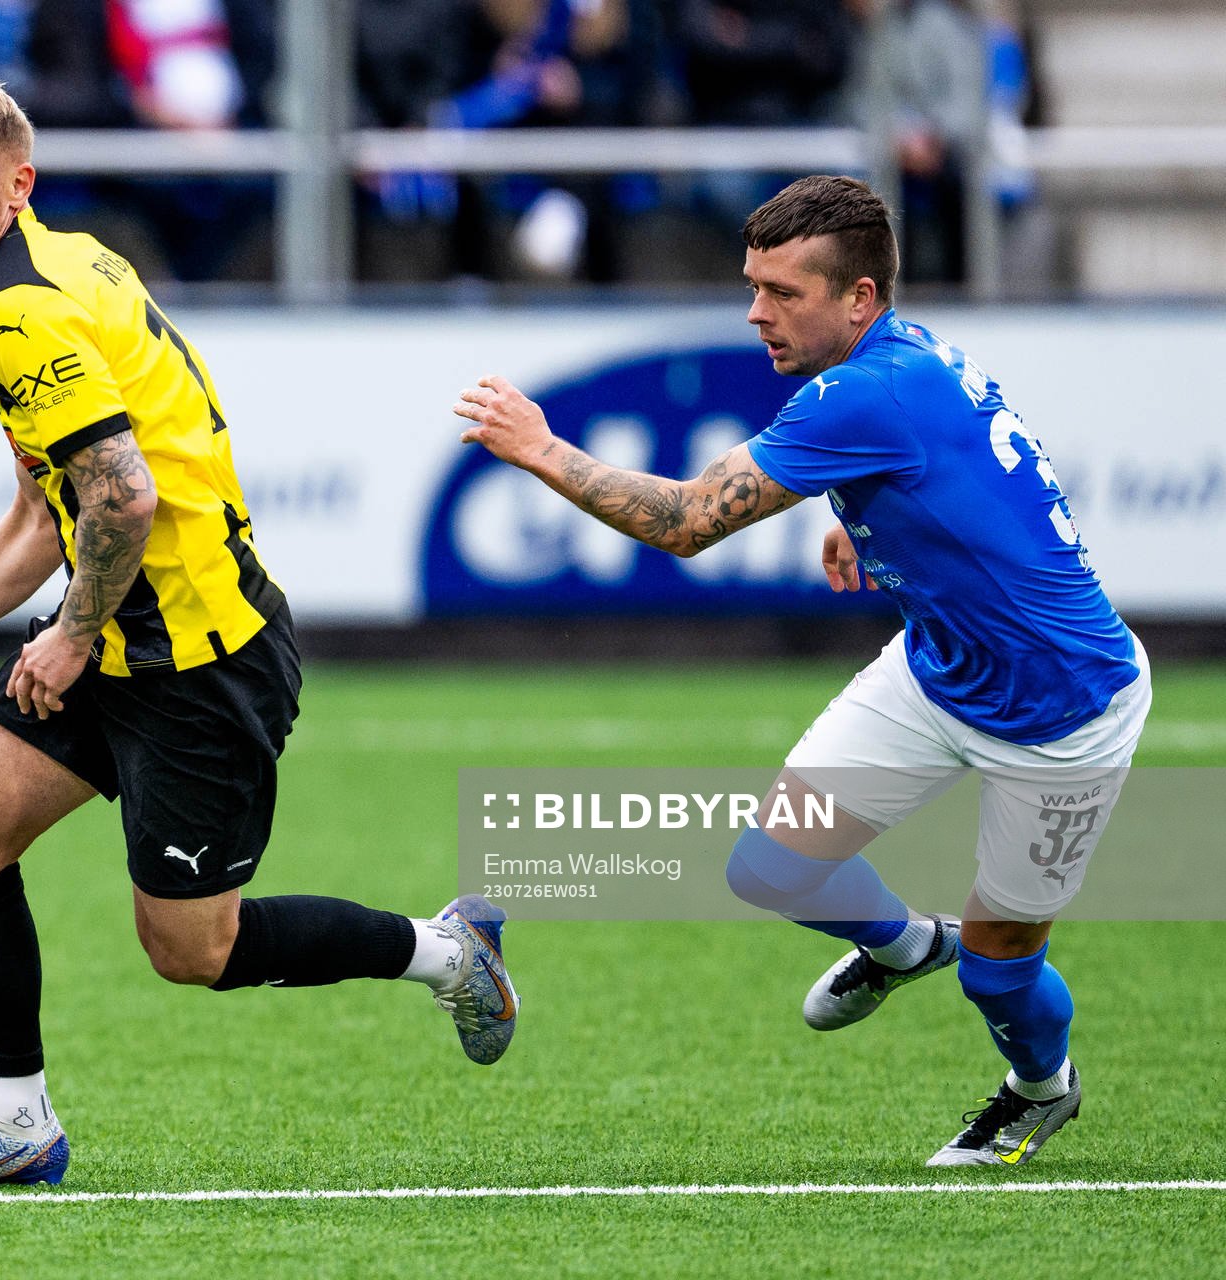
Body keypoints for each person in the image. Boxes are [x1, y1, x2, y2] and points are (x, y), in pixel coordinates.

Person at [0, 79, 517, 1191]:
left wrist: (68, 637)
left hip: (202, 666)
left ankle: (448, 951)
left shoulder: (24, 312)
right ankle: (17, 1122)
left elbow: (121, 500)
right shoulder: (64, 264)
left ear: (17, 186)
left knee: (193, 951)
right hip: (116, 636)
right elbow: (49, 511)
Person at [454, 174, 1148, 1166]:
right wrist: (863, 521)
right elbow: (959, 476)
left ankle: (1040, 1086)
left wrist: (544, 449)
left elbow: (690, 521)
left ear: (860, 298)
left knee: (999, 973)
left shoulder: (864, 391)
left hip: (1064, 711)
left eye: (784, 291)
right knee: (772, 864)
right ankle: (906, 942)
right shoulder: (897, 366)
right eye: (753, 285)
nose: (756, 312)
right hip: (939, 667)